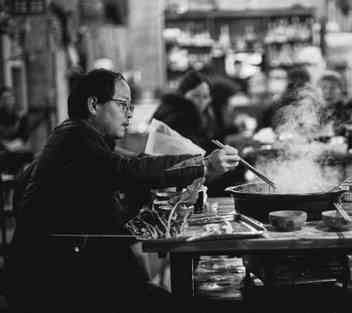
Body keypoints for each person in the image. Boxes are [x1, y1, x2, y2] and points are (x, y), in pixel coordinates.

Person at [7, 69, 240, 313]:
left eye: (131, 106)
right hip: (53, 282)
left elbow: (118, 194)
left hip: (72, 269)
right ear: (94, 105)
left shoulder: (85, 140)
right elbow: (129, 170)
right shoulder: (74, 137)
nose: (130, 114)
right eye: (122, 105)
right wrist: (202, 164)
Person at [153, 70, 223, 152]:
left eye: (205, 96)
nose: (201, 101)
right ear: (183, 94)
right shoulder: (179, 118)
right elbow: (194, 153)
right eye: (196, 96)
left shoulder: (204, 116)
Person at [318, 71, 352, 137]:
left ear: (341, 90)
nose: (328, 92)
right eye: (324, 88)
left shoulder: (349, 107)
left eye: (333, 88)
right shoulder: (317, 110)